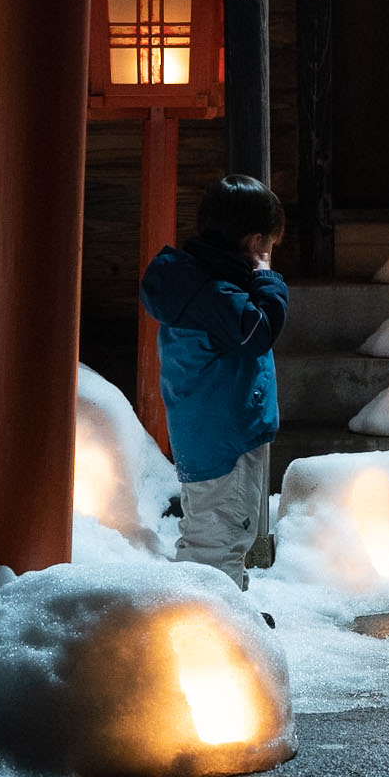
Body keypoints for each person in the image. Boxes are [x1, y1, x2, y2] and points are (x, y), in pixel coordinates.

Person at [140, 174, 287, 590]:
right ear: (254, 240)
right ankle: (209, 631)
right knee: (218, 542)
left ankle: (228, 616)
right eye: (267, 244)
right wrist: (266, 277)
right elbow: (258, 330)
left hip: (208, 434)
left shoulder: (195, 282)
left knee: (216, 533)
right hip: (225, 438)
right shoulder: (215, 295)